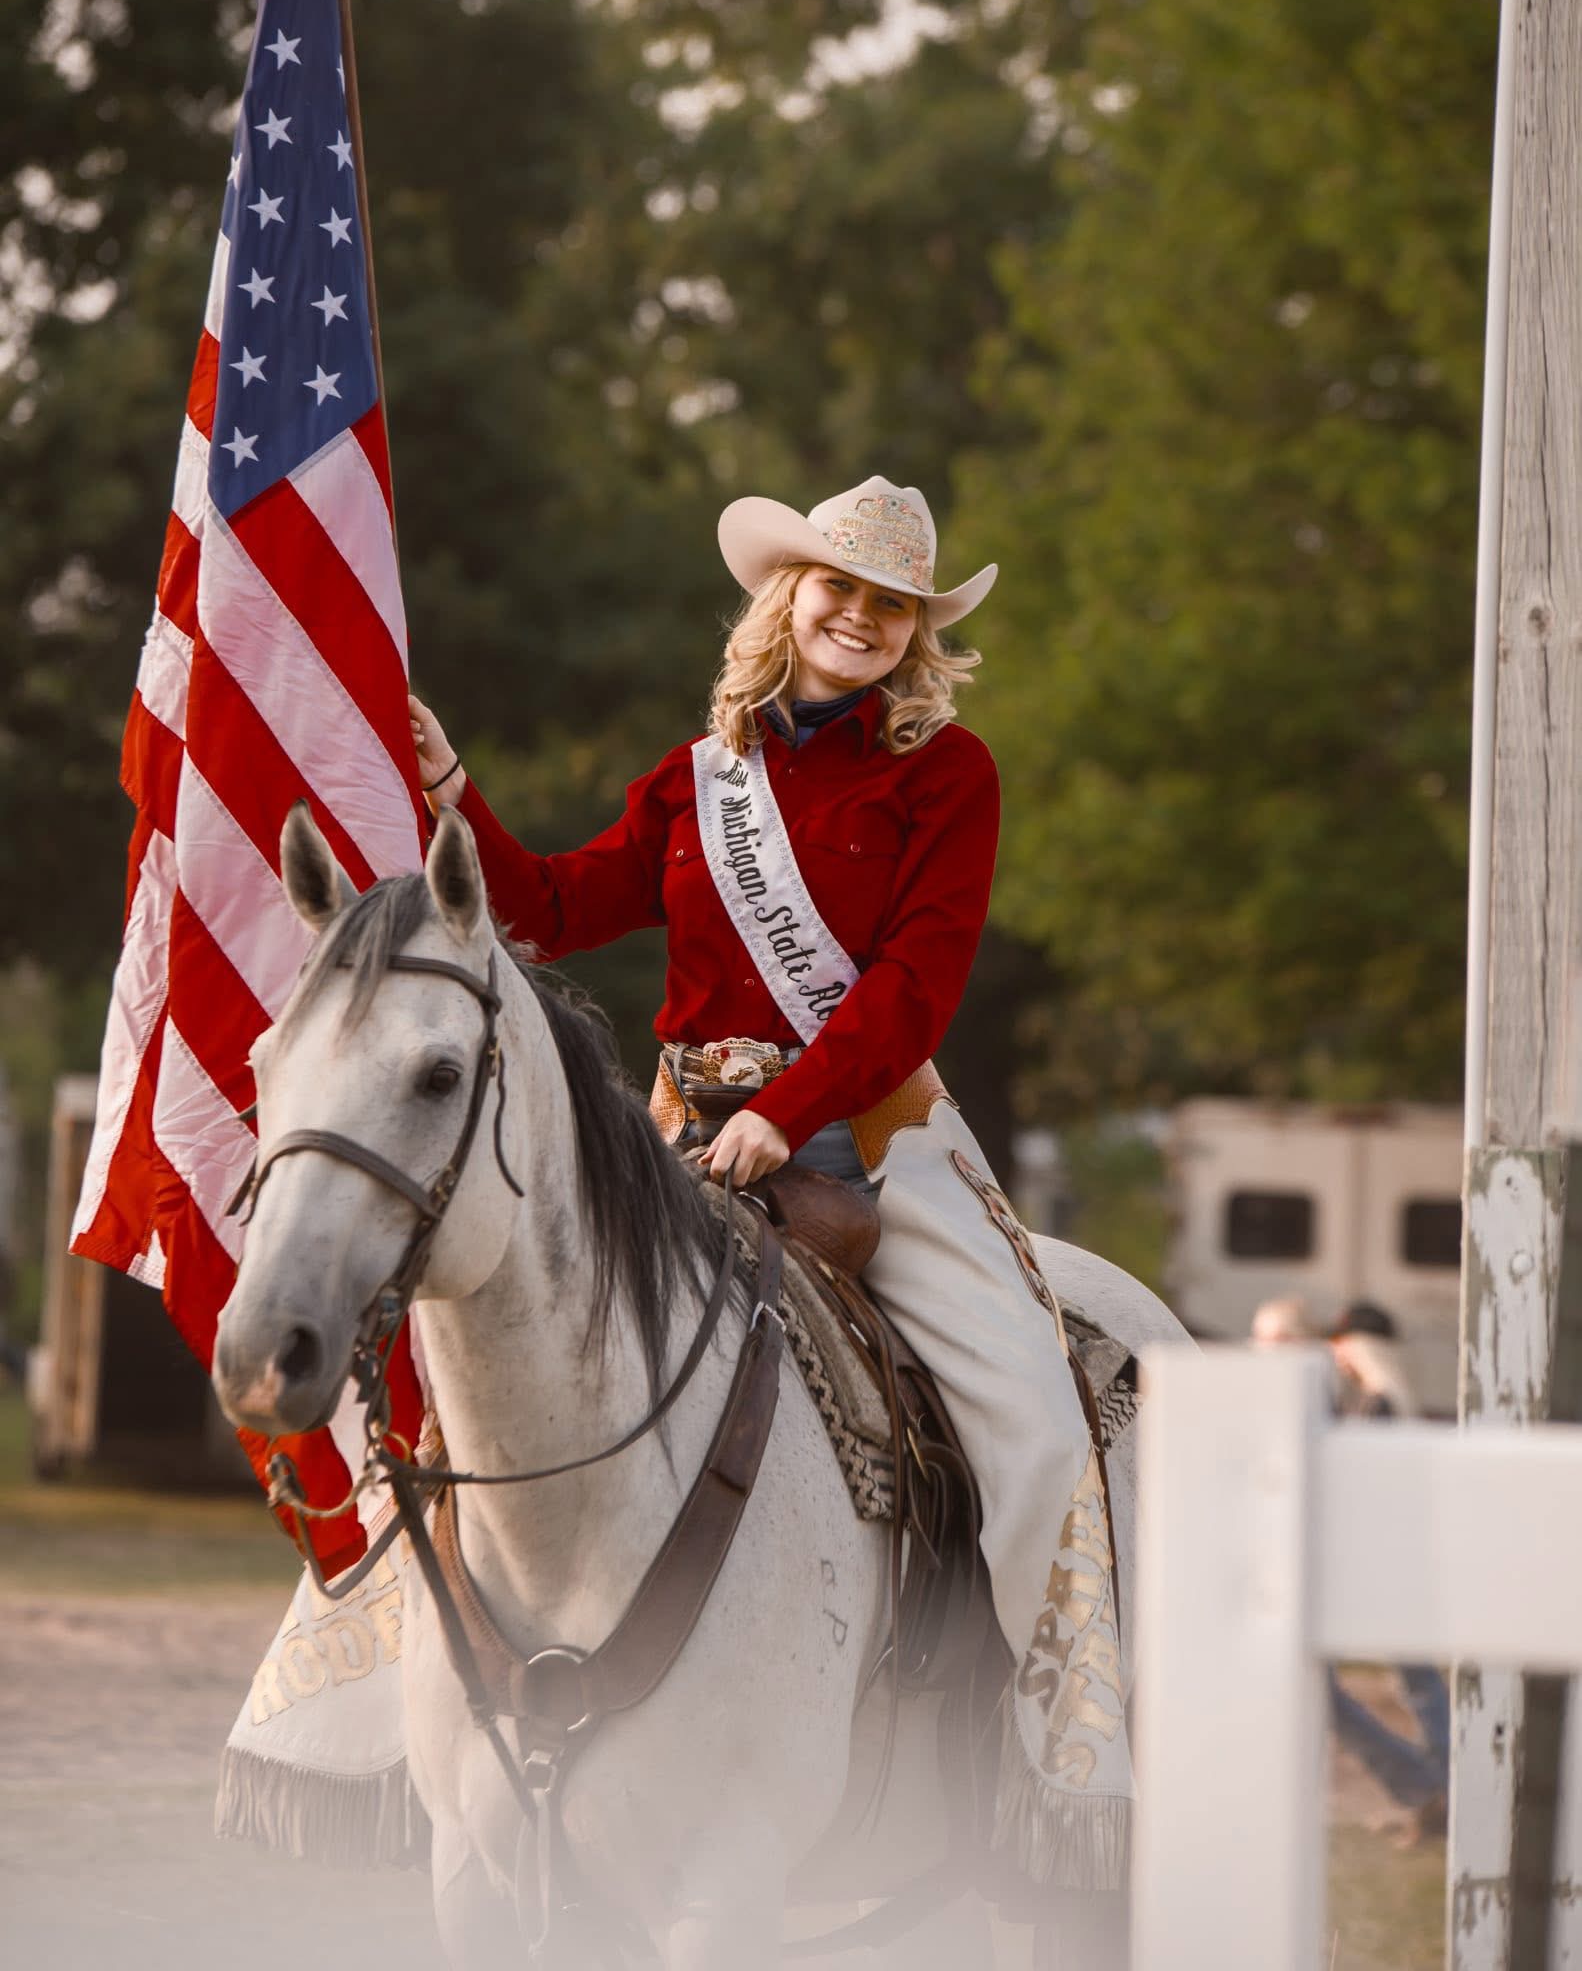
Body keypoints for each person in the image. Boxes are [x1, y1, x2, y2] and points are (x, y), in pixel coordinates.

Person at [407, 475, 1131, 1892]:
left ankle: (1060, 1760)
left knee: (1040, 1427)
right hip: (677, 1135)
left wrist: (788, 1115)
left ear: (916, 630)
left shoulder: (949, 774)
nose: (858, 617)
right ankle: (408, 1733)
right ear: (787, 597)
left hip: (873, 1138)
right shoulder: (697, 776)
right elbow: (550, 908)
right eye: (835, 587)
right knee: (461, 1383)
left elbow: (912, 987)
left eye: (889, 603)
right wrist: (451, 790)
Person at [1248, 1294, 1448, 1836]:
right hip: (1383, 1559)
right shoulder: (1378, 1400)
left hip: (1373, 1561)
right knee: (1412, 1680)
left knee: (1381, 1685)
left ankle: (1428, 1787)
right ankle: (1433, 1789)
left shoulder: (1374, 1405)